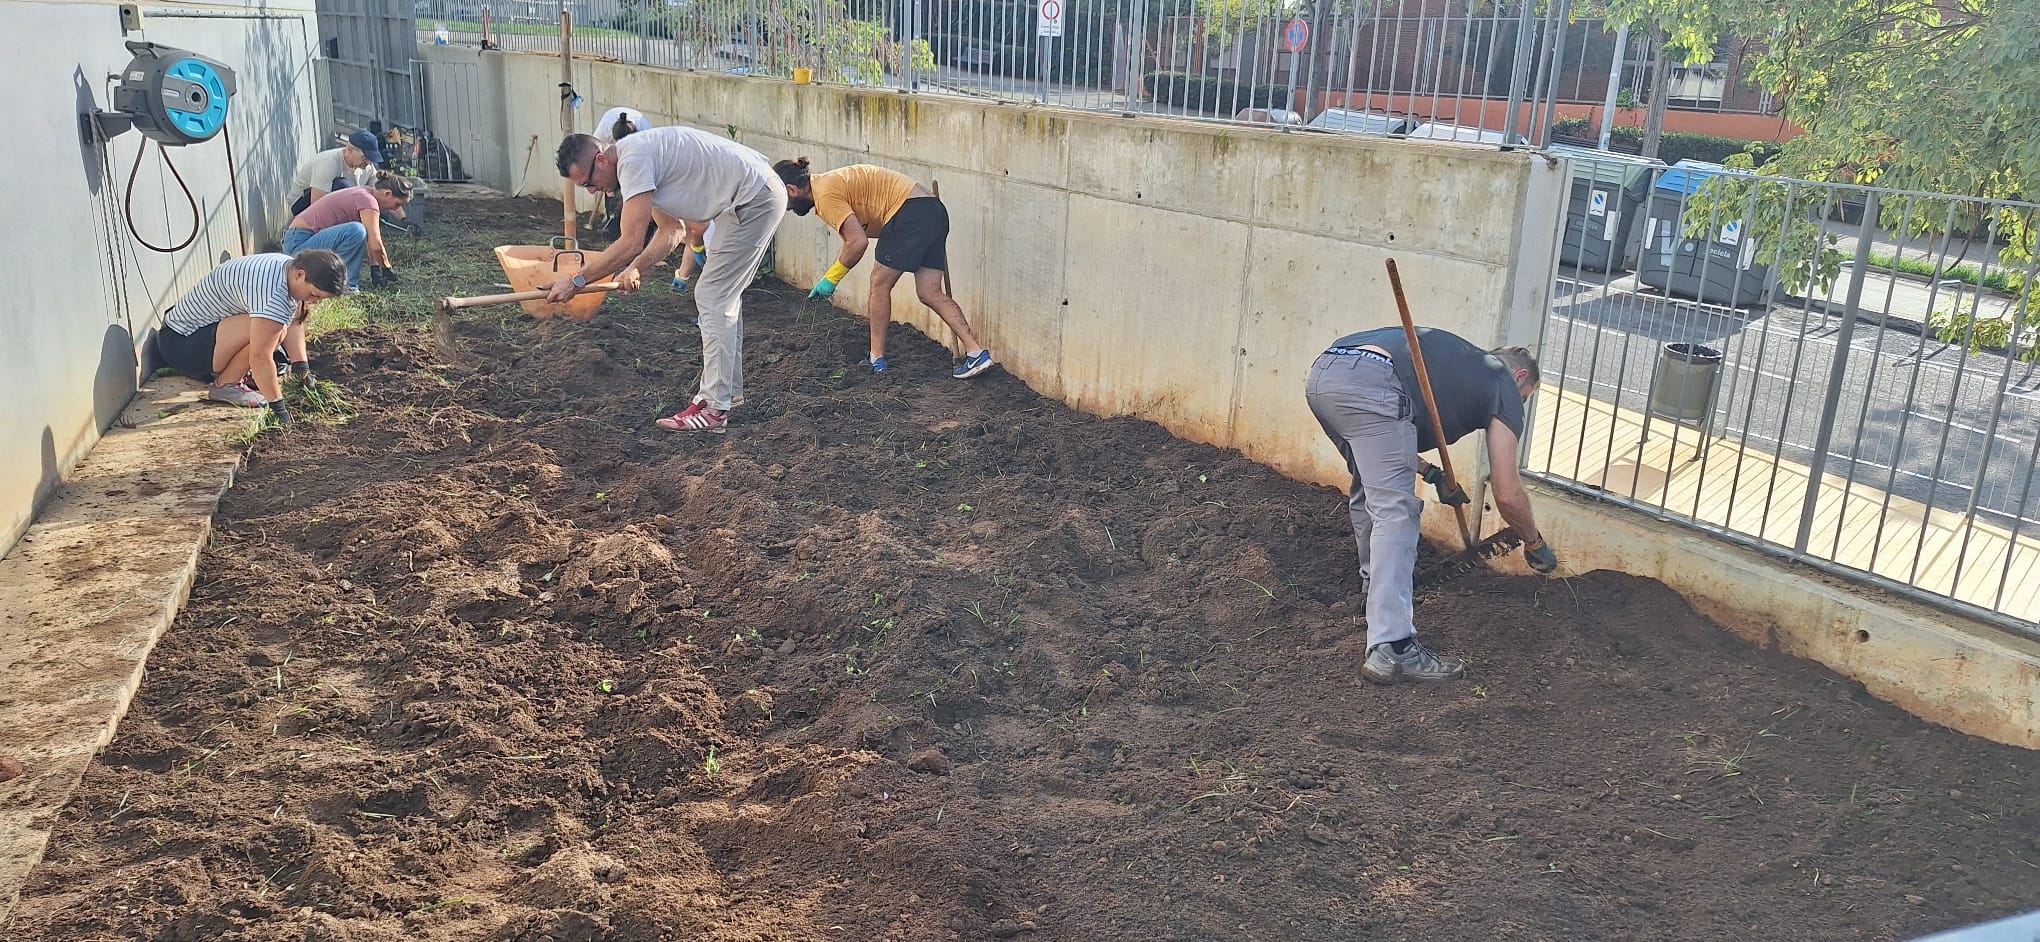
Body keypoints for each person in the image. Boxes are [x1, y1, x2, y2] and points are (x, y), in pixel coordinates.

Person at [1303, 327, 1559, 684]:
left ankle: (1373, 587)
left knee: (1369, 488)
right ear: (1520, 376)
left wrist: (1432, 473)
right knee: (1397, 512)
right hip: (1374, 382)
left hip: (1327, 375)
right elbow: (1507, 492)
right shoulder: (1503, 383)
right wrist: (1533, 541)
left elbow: (1386, 438)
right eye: (1525, 398)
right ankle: (1393, 648)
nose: (1520, 405)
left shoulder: (1461, 363)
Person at [547, 126, 787, 434]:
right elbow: (672, 231)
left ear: (601, 160)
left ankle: (715, 408)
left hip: (754, 198)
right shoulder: (637, 162)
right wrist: (636, 268)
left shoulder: (634, 161)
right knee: (719, 297)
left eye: (588, 183)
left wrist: (576, 281)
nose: (593, 191)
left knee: (713, 295)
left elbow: (631, 242)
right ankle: (727, 394)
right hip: (745, 199)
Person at [773, 158, 995, 379]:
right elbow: (851, 240)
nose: (787, 209)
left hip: (909, 213)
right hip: (932, 211)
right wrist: (832, 273)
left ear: (792, 190)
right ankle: (976, 353)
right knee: (930, 292)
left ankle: (876, 358)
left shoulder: (825, 195)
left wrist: (831, 279)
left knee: (879, 284)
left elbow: (857, 242)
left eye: (784, 202)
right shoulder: (828, 184)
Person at [155, 249, 347, 425]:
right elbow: (260, 357)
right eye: (314, 295)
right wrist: (279, 410)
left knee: (275, 329)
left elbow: (294, 318)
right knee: (273, 332)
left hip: (194, 334)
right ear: (301, 275)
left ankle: (230, 375)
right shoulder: (272, 294)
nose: (314, 301)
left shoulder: (287, 266)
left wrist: (301, 369)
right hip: (181, 343)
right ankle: (225, 386)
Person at [281, 172, 413, 292]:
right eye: (397, 204)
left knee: (358, 231)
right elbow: (375, 245)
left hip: (299, 241)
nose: (395, 208)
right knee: (356, 231)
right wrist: (387, 269)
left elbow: (371, 239)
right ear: (387, 194)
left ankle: (337, 282)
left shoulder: (365, 193)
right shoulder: (368, 201)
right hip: (299, 246)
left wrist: (376, 270)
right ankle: (348, 287)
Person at [289, 129, 384, 217]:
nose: (369, 162)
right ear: (349, 150)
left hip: (329, 203)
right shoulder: (328, 163)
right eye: (365, 158)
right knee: (343, 186)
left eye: (371, 159)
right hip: (303, 204)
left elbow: (379, 189)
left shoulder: (367, 167)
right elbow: (317, 205)